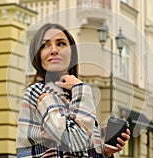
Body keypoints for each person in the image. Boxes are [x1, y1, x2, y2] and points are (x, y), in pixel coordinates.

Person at [16, 23, 130, 158]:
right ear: (38, 56)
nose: (54, 50)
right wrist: (81, 89)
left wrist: (103, 150)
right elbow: (74, 141)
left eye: (61, 44)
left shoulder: (73, 96)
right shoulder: (39, 92)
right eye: (45, 45)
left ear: (72, 54)